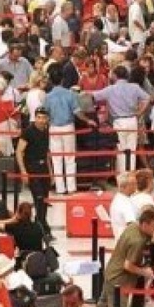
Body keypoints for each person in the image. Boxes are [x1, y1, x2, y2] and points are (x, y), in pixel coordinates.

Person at [43, 66, 96, 194]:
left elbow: (45, 114)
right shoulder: (70, 94)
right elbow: (77, 112)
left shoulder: (47, 97)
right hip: (68, 127)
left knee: (56, 159)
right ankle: (71, 188)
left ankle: (60, 188)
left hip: (54, 128)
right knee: (70, 158)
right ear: (62, 79)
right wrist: (88, 120)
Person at [97, 209, 154, 307]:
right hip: (119, 279)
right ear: (144, 224)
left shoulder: (133, 226)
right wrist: (145, 272)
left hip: (111, 272)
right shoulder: (137, 241)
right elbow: (128, 265)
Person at [92, 65, 151, 173]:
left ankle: (123, 176)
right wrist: (140, 112)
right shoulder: (135, 87)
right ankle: (130, 174)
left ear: (115, 75)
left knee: (120, 149)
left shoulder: (110, 89)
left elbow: (93, 96)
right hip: (132, 120)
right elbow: (148, 98)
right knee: (132, 150)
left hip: (119, 122)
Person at [15, 106, 54, 242]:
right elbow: (19, 151)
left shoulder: (46, 131)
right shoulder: (28, 132)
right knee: (39, 199)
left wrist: (51, 173)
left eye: (43, 117)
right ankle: (42, 229)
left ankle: (42, 227)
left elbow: (47, 153)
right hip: (32, 168)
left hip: (44, 169)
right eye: (38, 117)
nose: (41, 120)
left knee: (44, 201)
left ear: (47, 118)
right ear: (34, 117)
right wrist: (23, 171)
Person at [110, 172, 138, 242]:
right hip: (128, 241)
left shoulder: (120, 198)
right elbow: (132, 224)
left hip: (122, 239)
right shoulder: (124, 203)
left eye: (135, 183)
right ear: (123, 186)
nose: (136, 186)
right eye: (133, 184)